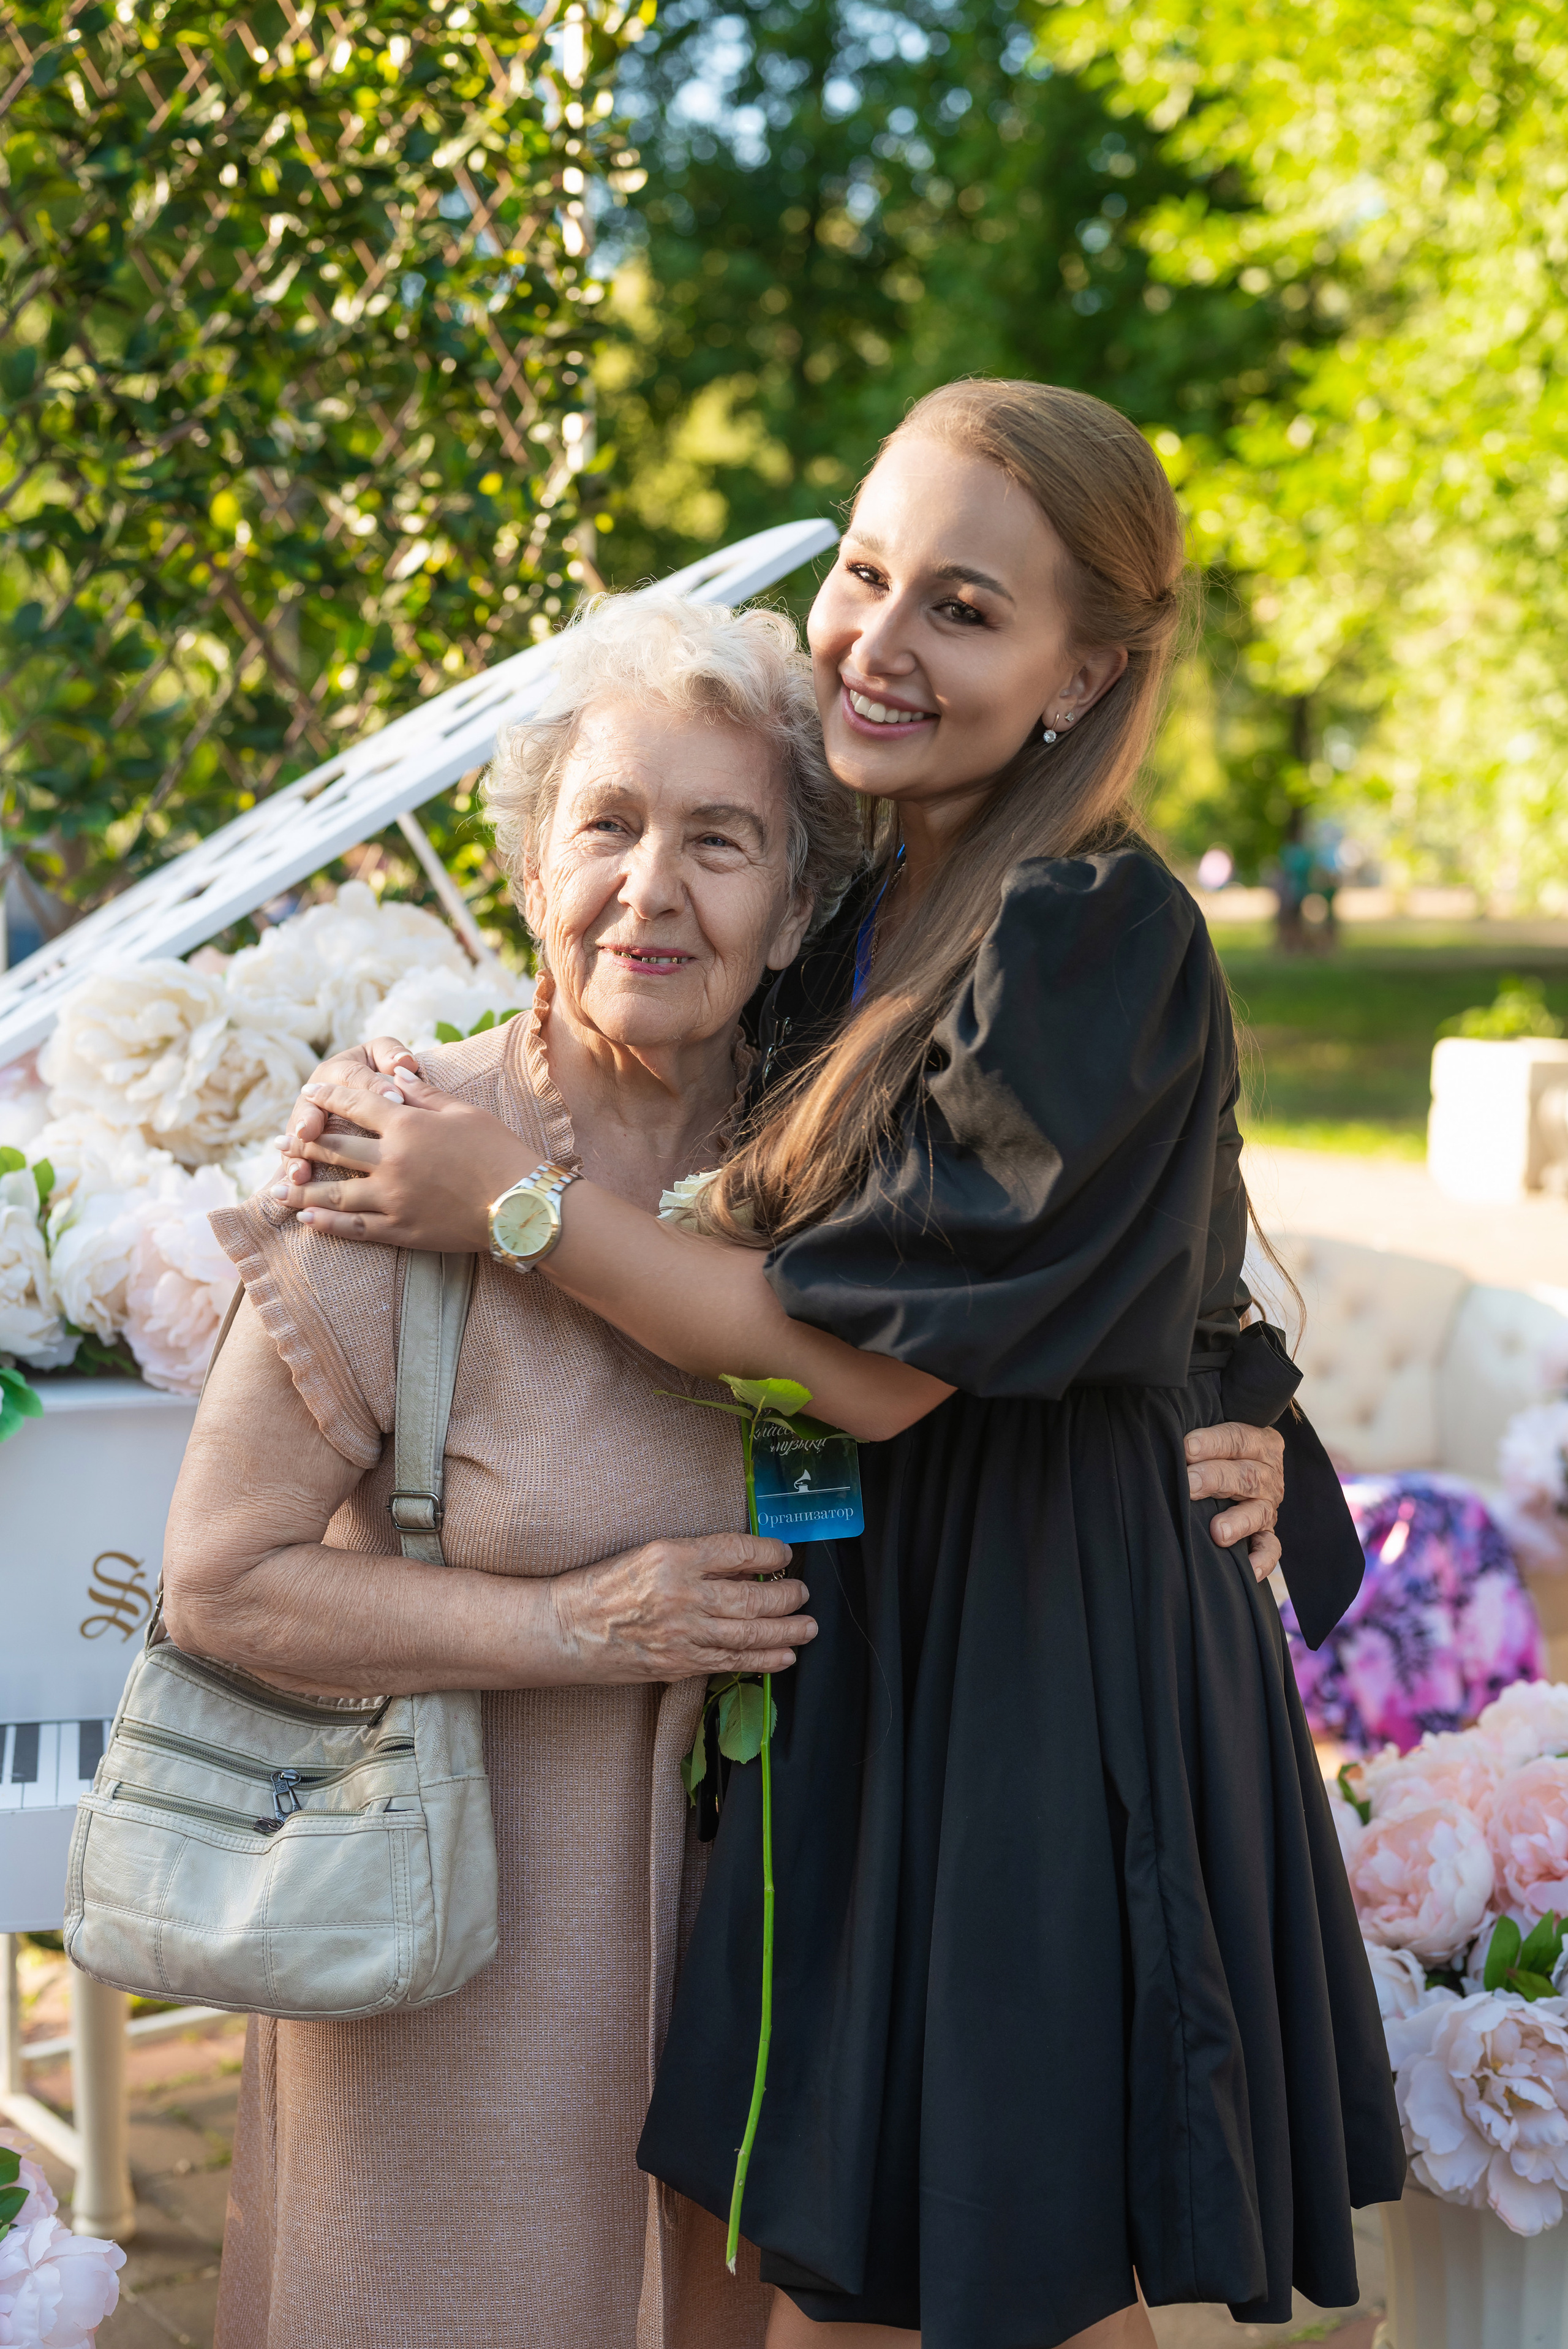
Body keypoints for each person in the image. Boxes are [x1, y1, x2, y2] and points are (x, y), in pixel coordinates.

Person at [273, 381, 1385, 2349]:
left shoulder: (1089, 921)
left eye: (966, 607)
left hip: (1040, 1646)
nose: (879, 637)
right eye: (867, 572)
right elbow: (652, 1019)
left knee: (999, 2266)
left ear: (1082, 673)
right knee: (880, 2258)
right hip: (888, 1625)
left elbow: (871, 1367)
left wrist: (508, 1205)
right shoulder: (869, 897)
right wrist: (410, 1089)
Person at [165, 599, 859, 2349]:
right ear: (536, 866)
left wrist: (1230, 1430)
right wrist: (576, 1622)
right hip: (454, 1958)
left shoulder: (843, 1180)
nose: (652, 888)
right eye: (609, 825)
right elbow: (221, 1581)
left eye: (721, 841)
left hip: (772, 1974)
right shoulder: (396, 1158)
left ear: (795, 910)